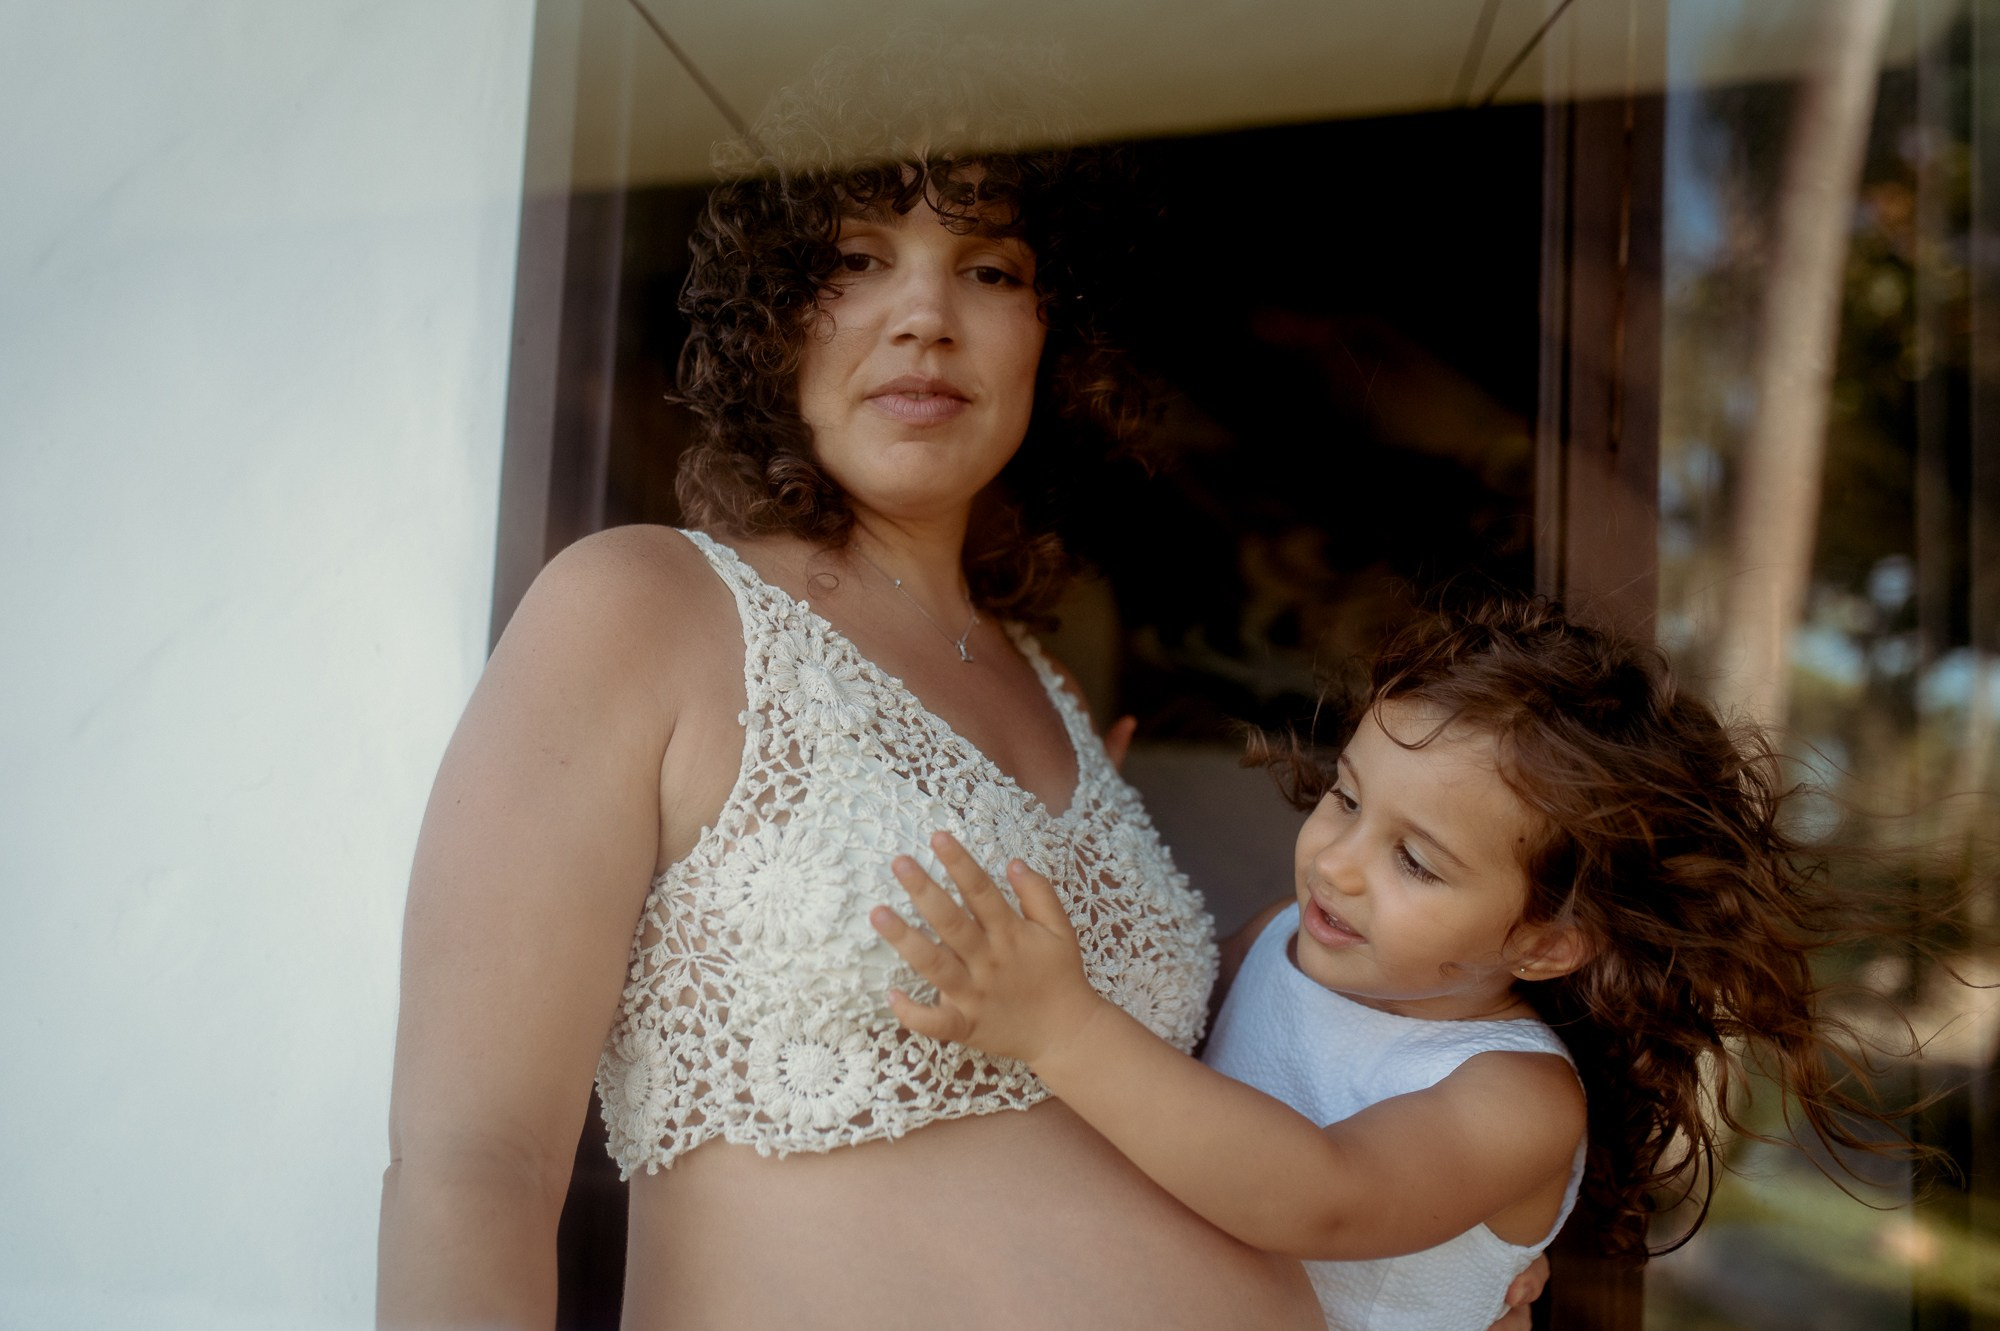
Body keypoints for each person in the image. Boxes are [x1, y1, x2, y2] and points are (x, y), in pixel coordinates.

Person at [375, 48, 1545, 1329]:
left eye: (989, 269)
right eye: (857, 258)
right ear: (776, 313)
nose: (925, 313)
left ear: (1053, 332)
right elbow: (472, 1162)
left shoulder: (1046, 678)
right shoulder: (643, 606)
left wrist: (1420, 1287)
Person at [872, 597, 1921, 1330]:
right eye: (1345, 796)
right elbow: (1161, 1051)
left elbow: (1317, 1198)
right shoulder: (1288, 933)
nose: (1337, 862)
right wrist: (1078, 852)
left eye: (1415, 859)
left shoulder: (1512, 1094)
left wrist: (1061, 1029)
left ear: (1546, 939)